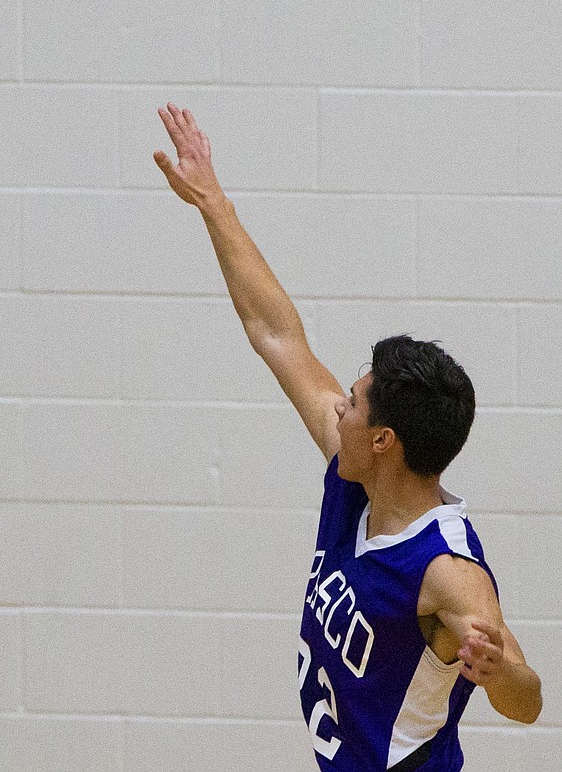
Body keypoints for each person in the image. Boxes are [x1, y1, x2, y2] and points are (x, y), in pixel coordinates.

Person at [152, 102, 541, 771]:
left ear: (386, 439)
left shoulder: (448, 571)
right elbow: (277, 335)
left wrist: (499, 668)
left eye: (354, 403)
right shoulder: (355, 474)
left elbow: (529, 700)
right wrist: (213, 202)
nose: (338, 409)